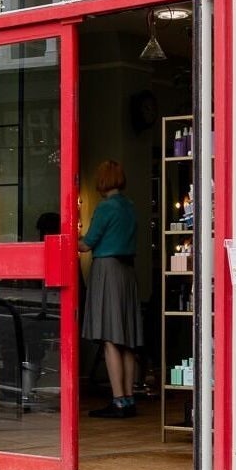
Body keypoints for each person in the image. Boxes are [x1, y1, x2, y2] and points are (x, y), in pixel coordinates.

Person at [80, 159, 141, 418]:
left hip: (107, 270)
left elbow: (88, 243)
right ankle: (128, 397)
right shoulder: (130, 206)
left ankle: (117, 399)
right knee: (126, 338)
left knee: (109, 337)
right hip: (127, 271)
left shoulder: (105, 208)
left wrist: (73, 236)